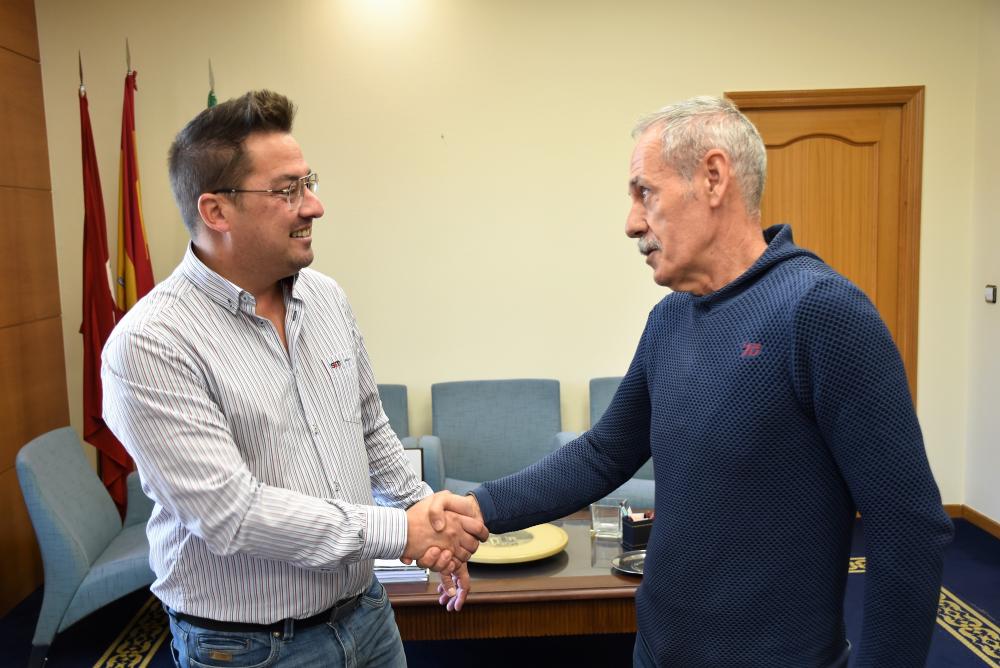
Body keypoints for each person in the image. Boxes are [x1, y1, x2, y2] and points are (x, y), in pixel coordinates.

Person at [432, 96, 953, 667]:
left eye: (644, 192)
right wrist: (480, 509)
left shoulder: (821, 312)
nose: (631, 221)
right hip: (658, 652)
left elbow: (908, 527)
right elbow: (604, 454)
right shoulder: (671, 318)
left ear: (712, 178)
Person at [102, 90, 485, 668]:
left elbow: (371, 431)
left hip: (367, 616)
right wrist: (396, 532)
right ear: (216, 212)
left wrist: (428, 519)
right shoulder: (151, 343)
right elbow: (231, 514)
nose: (314, 206)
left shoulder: (326, 297)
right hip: (251, 647)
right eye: (288, 190)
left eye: (309, 182)